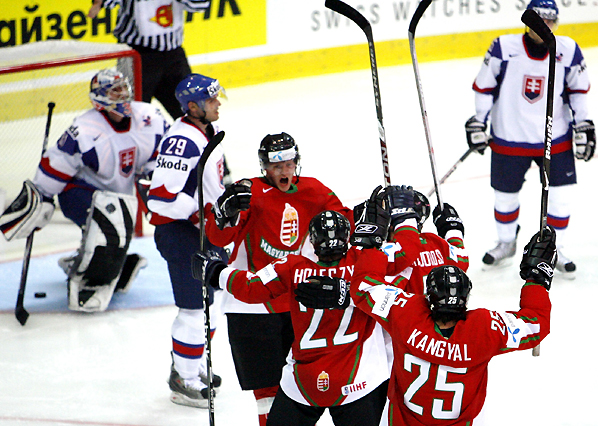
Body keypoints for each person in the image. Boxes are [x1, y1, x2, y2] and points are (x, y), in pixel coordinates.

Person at [296, 195, 556, 426]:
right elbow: (535, 324)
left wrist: (370, 245)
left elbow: (365, 287)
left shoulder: (407, 313)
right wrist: (537, 279)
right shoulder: (485, 328)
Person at [204, 132, 353, 426]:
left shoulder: (314, 190)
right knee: (267, 389)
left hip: (298, 302)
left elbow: (345, 222)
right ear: (265, 167)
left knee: (305, 381)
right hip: (251, 305)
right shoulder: (249, 193)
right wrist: (223, 213)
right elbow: (218, 237)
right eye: (277, 165)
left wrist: (375, 220)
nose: (285, 171)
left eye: (289, 163)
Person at [195, 210, 390, 426]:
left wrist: (216, 271)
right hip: (358, 382)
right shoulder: (366, 263)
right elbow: (394, 290)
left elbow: (251, 288)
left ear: (312, 241)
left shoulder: (293, 266)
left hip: (302, 382)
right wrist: (394, 228)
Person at [0, 68, 168, 312]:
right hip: (77, 192)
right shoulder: (84, 129)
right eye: (115, 91)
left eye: (124, 89)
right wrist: (43, 197)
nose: (123, 95)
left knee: (117, 223)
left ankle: (84, 261)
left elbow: (162, 149)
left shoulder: (149, 116)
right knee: (110, 223)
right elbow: (57, 162)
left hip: (117, 194)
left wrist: (153, 176)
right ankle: (88, 285)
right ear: (101, 99)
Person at [465, 0, 594, 277]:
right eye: (540, 20)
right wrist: (479, 119)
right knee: (505, 195)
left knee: (560, 197)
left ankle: (552, 249)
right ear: (528, 21)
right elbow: (484, 87)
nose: (545, 26)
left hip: (555, 137)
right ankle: (507, 242)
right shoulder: (504, 47)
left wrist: (583, 124)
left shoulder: (568, 49)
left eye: (551, 21)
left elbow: (578, 91)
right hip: (509, 135)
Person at [147, 73, 228, 408]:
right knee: (195, 312)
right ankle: (183, 380)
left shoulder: (205, 132)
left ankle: (190, 364)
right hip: (182, 236)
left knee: (212, 305)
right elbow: (159, 197)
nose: (218, 104)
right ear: (193, 107)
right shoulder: (183, 141)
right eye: (211, 100)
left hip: (202, 233)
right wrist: (201, 214)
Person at [88, 0, 210, 121]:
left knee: (193, 112)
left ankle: (199, 140)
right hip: (136, 56)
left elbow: (200, 4)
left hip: (174, 56)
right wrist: (99, 3)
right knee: (133, 118)